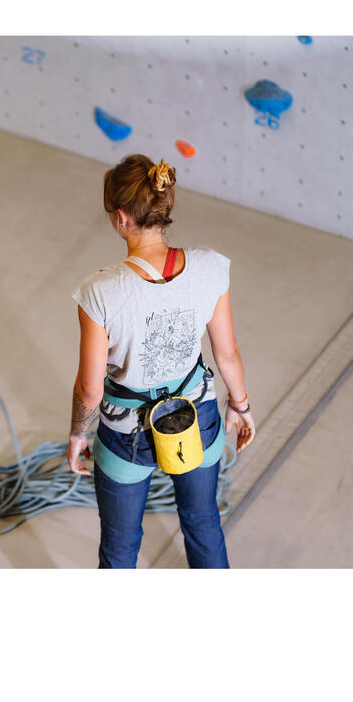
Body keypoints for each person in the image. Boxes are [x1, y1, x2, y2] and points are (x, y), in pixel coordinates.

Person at [66, 154, 256, 568]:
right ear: (162, 206)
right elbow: (227, 354)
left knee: (119, 548)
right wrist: (239, 406)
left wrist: (79, 434)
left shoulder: (100, 294)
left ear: (120, 218)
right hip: (197, 417)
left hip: (125, 435)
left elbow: (90, 389)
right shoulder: (210, 266)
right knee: (203, 522)